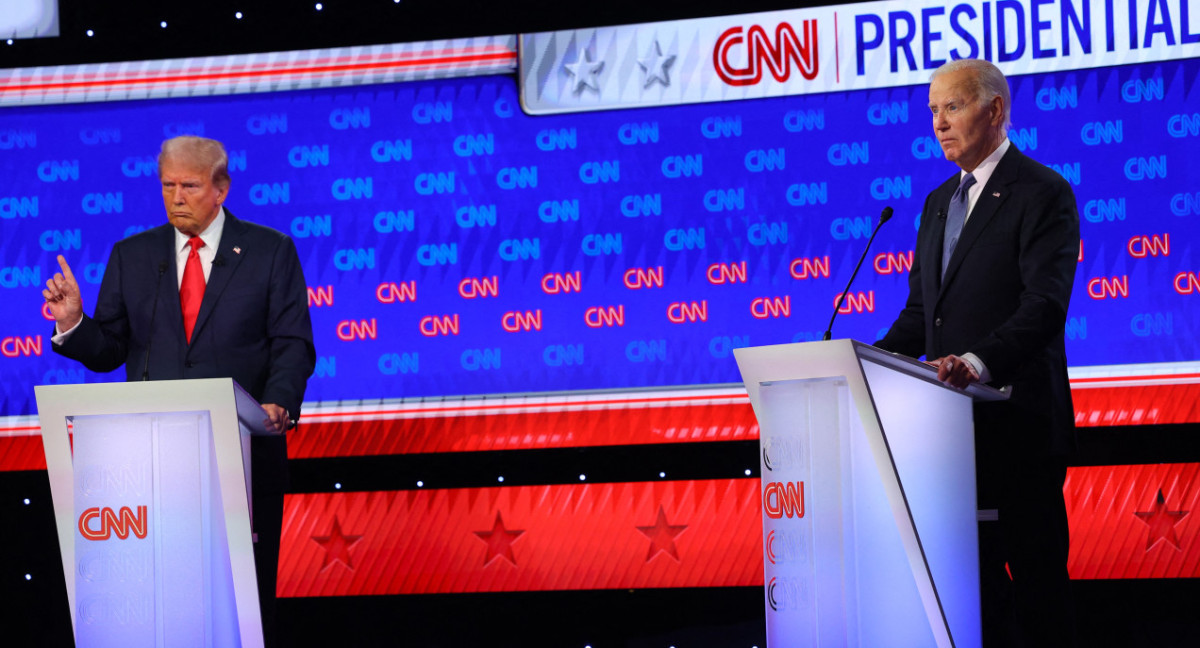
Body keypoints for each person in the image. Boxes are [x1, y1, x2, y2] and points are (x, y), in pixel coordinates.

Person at [43, 135, 315, 647]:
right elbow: (111, 350)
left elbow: (292, 343)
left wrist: (278, 403)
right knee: (160, 596)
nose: (176, 197)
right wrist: (75, 322)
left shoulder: (269, 250)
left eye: (189, 185)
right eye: (167, 186)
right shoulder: (134, 255)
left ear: (221, 189)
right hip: (151, 462)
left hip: (242, 454)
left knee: (242, 595)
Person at [874, 59, 1079, 647]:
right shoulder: (939, 202)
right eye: (933, 111)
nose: (939, 123)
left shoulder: (1042, 192)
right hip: (947, 437)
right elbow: (923, 315)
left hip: (1019, 428)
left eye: (952, 107)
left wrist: (978, 362)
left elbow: (1043, 306)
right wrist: (863, 360)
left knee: (1039, 589)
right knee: (971, 595)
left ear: (994, 110)